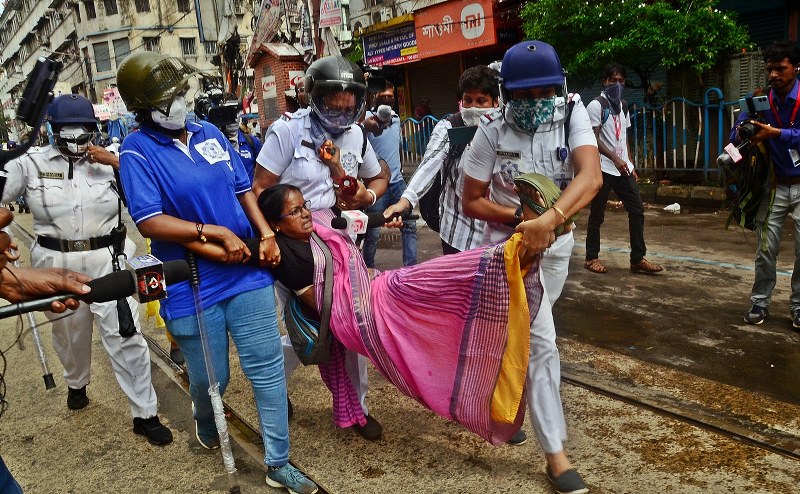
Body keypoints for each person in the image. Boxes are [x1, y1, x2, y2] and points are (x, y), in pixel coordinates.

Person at [115, 51, 318, 494]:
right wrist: (213, 235)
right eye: (167, 99)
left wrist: (263, 233)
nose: (178, 104)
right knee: (212, 379)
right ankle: (206, 416)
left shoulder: (208, 132)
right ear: (143, 108)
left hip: (244, 272)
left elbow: (244, 189)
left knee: (266, 368)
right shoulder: (136, 150)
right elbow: (150, 220)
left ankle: (279, 462)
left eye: (178, 94)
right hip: (191, 280)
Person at [253, 182, 545, 447]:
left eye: (304, 205)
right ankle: (268, 386)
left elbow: (358, 215)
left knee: (422, 288)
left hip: (368, 295)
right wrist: (205, 232)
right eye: (295, 211)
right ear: (275, 226)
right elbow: (238, 250)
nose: (305, 213)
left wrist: (393, 213)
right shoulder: (278, 252)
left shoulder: (321, 223)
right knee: (294, 349)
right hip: (346, 315)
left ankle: (504, 260)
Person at [462, 40, 602, 493]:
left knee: (518, 336)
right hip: (511, 254)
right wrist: (521, 221)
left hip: (557, 248)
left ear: (558, 88)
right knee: (542, 341)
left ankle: (504, 396)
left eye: (542, 94)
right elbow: (472, 200)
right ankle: (556, 456)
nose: (533, 104)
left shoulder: (573, 114)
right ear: (506, 94)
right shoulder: (490, 131)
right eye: (521, 96)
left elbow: (591, 176)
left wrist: (550, 220)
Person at [0, 94, 174, 446]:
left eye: (84, 133)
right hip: (54, 261)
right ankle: (76, 382)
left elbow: (154, 192)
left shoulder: (113, 159)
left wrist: (118, 163)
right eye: (68, 132)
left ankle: (145, 413)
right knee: (70, 336)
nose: (77, 140)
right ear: (53, 130)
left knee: (126, 336)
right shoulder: (30, 164)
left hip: (107, 258)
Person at [253, 55, 389, 441]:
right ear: (314, 96)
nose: (342, 113)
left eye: (350, 105)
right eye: (333, 103)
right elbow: (260, 188)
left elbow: (377, 178)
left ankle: (358, 409)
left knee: (350, 322)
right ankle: (274, 386)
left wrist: (366, 197)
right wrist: (271, 237)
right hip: (293, 241)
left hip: (338, 239)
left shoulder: (357, 135)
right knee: (306, 324)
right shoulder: (287, 132)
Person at [384, 65, 499, 254]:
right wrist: (405, 202)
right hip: (457, 234)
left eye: (481, 101)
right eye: (468, 100)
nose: (473, 107)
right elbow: (428, 165)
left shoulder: (503, 129)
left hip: (497, 236)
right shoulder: (448, 127)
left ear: (495, 102)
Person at [734, 41, 800, 329]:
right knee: (765, 248)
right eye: (770, 68)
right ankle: (760, 301)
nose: (773, 74)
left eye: (780, 68)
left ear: (795, 68)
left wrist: (777, 133)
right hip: (774, 186)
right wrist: (741, 132)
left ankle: (798, 307)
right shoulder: (759, 98)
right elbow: (737, 132)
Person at [584, 63, 663, 275]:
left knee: (637, 209)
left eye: (621, 81)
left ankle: (637, 259)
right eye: (613, 80)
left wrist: (629, 162)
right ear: (604, 82)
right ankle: (591, 258)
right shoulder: (596, 105)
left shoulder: (623, 106)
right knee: (597, 215)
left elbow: (624, 137)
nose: (617, 84)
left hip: (622, 168)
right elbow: (594, 138)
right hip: (603, 167)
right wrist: (614, 159)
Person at [361, 81, 417, 267]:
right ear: (375, 97)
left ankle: (411, 269)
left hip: (398, 183)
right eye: (383, 96)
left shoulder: (395, 117)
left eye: (391, 96)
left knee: (409, 225)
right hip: (377, 185)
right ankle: (367, 269)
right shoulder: (366, 120)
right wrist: (365, 126)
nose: (388, 100)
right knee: (373, 231)